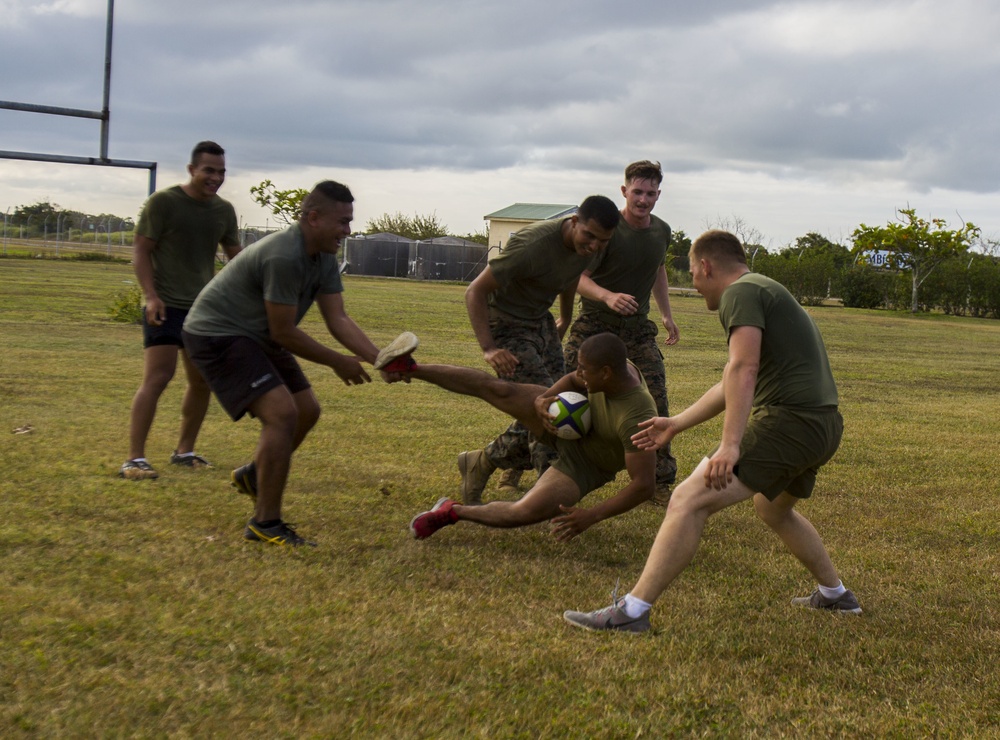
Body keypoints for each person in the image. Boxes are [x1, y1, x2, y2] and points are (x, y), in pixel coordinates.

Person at [563, 230, 860, 633]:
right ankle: (835, 595)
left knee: (687, 499)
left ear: (706, 265)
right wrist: (677, 423)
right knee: (772, 507)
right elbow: (732, 380)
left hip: (790, 422)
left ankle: (630, 613)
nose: (695, 282)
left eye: (692, 272)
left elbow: (743, 369)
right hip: (824, 425)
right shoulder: (765, 289)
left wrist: (730, 445)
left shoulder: (741, 292)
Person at [182, 180, 400, 546]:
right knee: (282, 414)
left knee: (306, 410)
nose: (348, 231)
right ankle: (265, 524)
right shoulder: (284, 255)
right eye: (343, 222)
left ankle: (255, 475)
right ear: (313, 218)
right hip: (217, 333)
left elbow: (339, 319)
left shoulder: (325, 255)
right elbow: (283, 332)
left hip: (257, 334)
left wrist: (380, 359)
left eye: (350, 222)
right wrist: (337, 362)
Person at [397, 332, 657, 541]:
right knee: (499, 390)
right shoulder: (615, 370)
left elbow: (643, 484)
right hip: (564, 419)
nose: (579, 373)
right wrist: (543, 400)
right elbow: (573, 380)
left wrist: (592, 515)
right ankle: (410, 368)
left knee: (523, 511)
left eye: (584, 369)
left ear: (606, 373)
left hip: (584, 465)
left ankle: (451, 512)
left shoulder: (637, 417)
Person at [460, 195, 621, 504]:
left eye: (602, 240)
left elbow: (572, 275)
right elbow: (474, 291)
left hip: (540, 323)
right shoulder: (531, 245)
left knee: (558, 402)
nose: (593, 246)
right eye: (589, 236)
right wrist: (489, 348)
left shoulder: (591, 247)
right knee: (548, 407)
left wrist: (565, 317)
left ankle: (483, 461)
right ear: (575, 221)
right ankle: (550, 496)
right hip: (505, 323)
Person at [119, 141, 241, 480]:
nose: (215, 178)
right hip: (165, 304)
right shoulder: (164, 203)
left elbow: (237, 259)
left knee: (202, 381)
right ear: (192, 170)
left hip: (203, 310)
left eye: (221, 172)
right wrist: (150, 295)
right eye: (209, 170)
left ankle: (184, 451)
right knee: (158, 378)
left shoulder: (223, 211)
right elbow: (142, 251)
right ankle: (134, 458)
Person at [564, 160, 679, 505]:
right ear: (624, 191)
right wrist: (607, 296)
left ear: (659, 194)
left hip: (637, 331)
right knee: (565, 397)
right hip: (595, 328)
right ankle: (517, 464)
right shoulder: (607, 228)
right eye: (637, 192)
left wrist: (666, 314)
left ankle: (659, 483)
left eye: (650, 193)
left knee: (656, 402)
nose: (643, 199)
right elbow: (577, 276)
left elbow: (657, 268)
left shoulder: (662, 231)